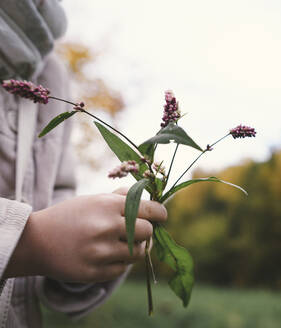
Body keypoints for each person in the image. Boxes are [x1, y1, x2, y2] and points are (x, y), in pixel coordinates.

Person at [0, 1, 167, 327]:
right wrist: (29, 242)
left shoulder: (51, 74)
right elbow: (41, 235)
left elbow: (56, 196)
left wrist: (97, 248)